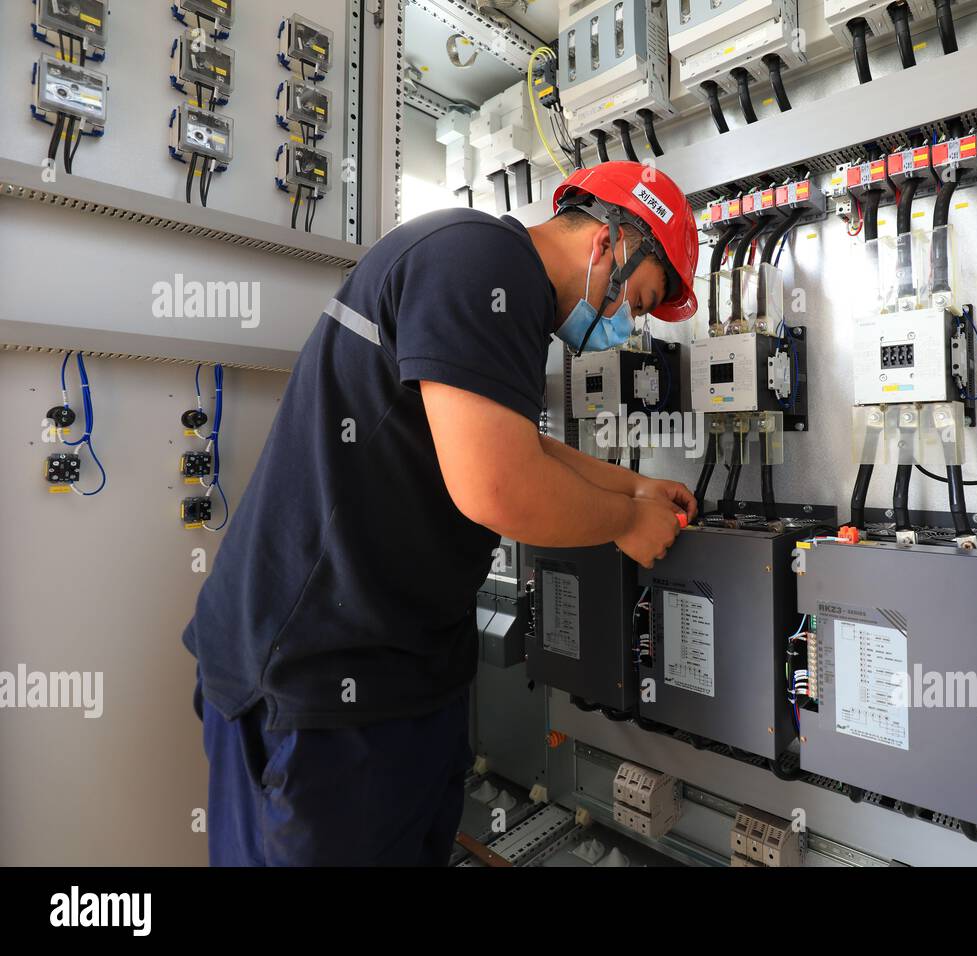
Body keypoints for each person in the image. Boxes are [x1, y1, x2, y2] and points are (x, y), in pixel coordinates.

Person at [183, 161, 701, 865]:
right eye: (632, 302)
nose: (622, 325)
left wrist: (630, 488)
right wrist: (625, 523)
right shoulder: (479, 259)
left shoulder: (491, 278)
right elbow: (498, 486)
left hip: (395, 678)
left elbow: (512, 443)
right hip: (315, 678)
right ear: (608, 244)